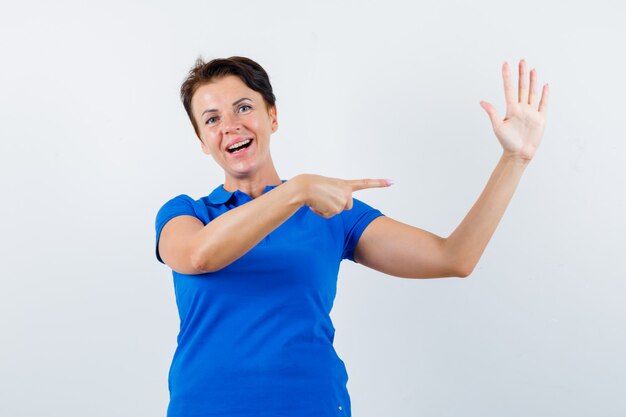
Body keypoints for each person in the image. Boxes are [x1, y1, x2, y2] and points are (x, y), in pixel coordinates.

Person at [154, 56, 549, 416]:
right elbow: (198, 256)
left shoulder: (329, 211)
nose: (230, 125)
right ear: (202, 142)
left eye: (243, 107)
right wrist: (297, 190)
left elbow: (454, 258)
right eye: (211, 119)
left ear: (272, 116)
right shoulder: (186, 214)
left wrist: (514, 160)